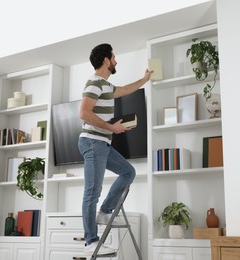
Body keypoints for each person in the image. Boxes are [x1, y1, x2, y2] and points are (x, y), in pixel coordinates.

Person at [78, 43, 152, 255]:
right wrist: (112, 127)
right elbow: (84, 113)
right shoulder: (94, 83)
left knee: (128, 172)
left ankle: (105, 211)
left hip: (102, 143)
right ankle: (91, 241)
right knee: (92, 191)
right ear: (106, 60)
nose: (116, 60)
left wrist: (144, 79)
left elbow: (127, 89)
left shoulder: (106, 86)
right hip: (92, 142)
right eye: (114, 57)